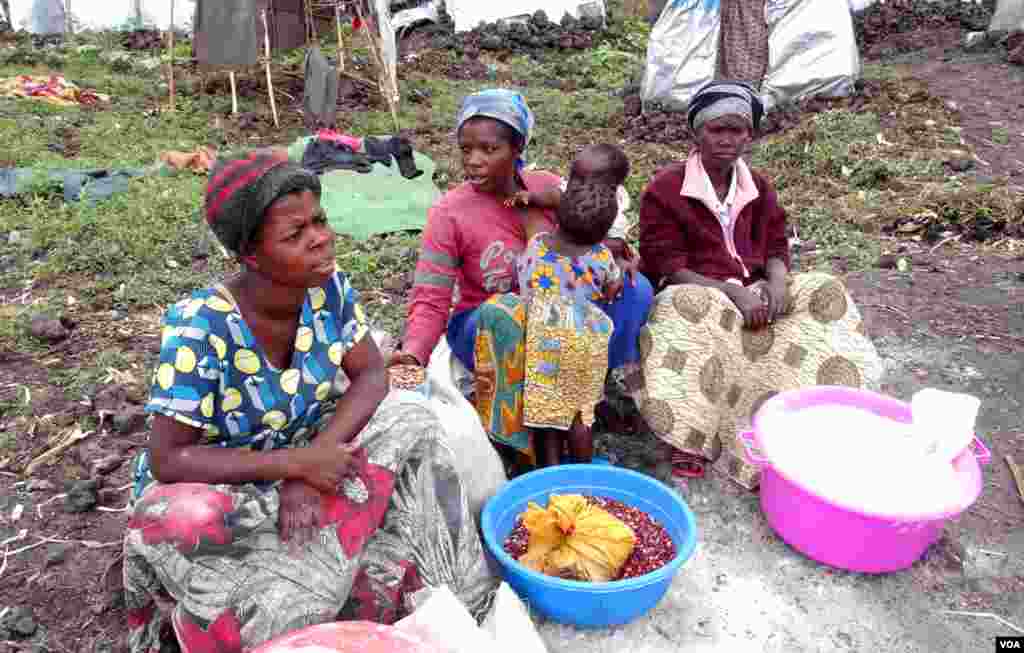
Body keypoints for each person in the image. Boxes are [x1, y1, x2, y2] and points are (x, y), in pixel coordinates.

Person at [123, 150, 494, 653]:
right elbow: (169, 459)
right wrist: (295, 466)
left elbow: (371, 378)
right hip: (232, 488)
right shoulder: (201, 324)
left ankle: (454, 600)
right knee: (184, 521)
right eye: (294, 235)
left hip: (314, 458)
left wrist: (315, 459)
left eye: (318, 220)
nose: (319, 238)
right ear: (250, 256)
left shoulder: (329, 289)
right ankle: (292, 583)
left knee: (412, 416)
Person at [389, 89, 654, 470]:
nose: (474, 161)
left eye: (488, 149)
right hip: (488, 326)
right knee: (510, 312)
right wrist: (413, 353)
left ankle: (586, 394)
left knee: (635, 290)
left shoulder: (549, 189)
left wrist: (619, 251)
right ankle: (520, 443)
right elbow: (431, 296)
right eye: (466, 150)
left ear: (517, 149)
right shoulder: (449, 212)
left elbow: (594, 229)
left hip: (559, 323)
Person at [637, 81, 883, 487]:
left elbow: (775, 242)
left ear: (749, 135)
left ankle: (827, 413)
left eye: (738, 131)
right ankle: (690, 436)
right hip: (704, 293)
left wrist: (777, 281)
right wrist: (731, 291)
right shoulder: (665, 189)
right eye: (717, 130)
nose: (727, 141)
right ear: (696, 133)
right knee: (682, 304)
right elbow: (668, 263)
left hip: (755, 290)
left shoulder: (759, 187)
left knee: (824, 288)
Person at [516, 181, 623, 467]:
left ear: (557, 216)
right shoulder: (601, 256)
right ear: (603, 232)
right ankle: (581, 474)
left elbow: (524, 289)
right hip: (587, 345)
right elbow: (612, 287)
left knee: (549, 416)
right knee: (580, 415)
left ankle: (550, 472)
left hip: (546, 345)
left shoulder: (536, 248)